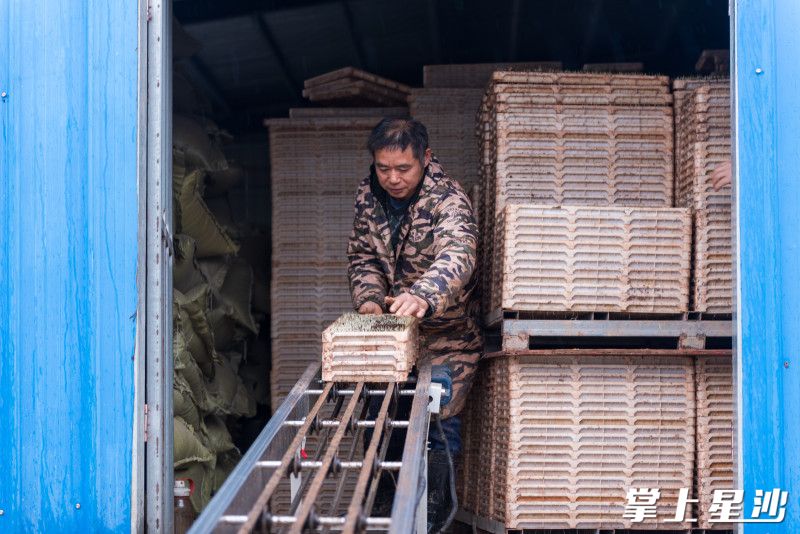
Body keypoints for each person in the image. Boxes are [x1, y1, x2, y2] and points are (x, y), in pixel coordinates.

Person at [347, 117, 482, 532]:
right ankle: (389, 522)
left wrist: (424, 293)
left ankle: (432, 521)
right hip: (390, 341)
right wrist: (369, 300)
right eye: (383, 168)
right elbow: (362, 257)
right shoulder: (368, 197)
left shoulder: (448, 199)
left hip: (446, 340)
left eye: (403, 169)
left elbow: (458, 254)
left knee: (433, 432)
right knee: (382, 429)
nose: (392, 178)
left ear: (424, 158)